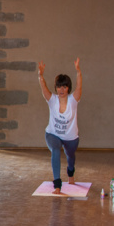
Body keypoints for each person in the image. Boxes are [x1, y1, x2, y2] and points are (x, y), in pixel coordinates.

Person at [38, 58, 82, 194]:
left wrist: (78, 72)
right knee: (56, 151)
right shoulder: (52, 100)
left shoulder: (73, 100)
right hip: (53, 134)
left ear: (68, 88)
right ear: (56, 88)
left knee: (70, 157)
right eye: (59, 87)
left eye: (64, 87)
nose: (61, 90)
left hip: (71, 137)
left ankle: (71, 172)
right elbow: (43, 88)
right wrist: (40, 75)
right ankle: (57, 185)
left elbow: (79, 87)